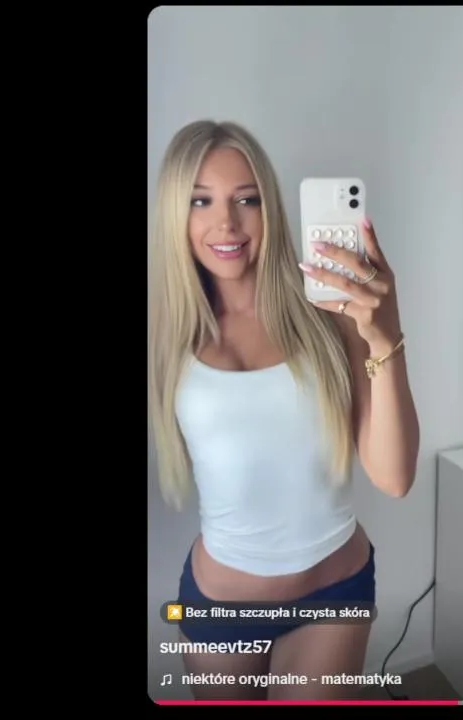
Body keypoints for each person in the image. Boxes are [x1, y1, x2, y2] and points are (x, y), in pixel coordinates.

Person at [148, 120, 421, 700]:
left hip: (334, 595)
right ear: (175, 212)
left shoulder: (330, 314)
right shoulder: (166, 337)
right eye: (201, 200)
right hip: (222, 607)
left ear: (269, 207)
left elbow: (395, 477)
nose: (227, 222)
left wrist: (385, 335)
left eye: (246, 199)